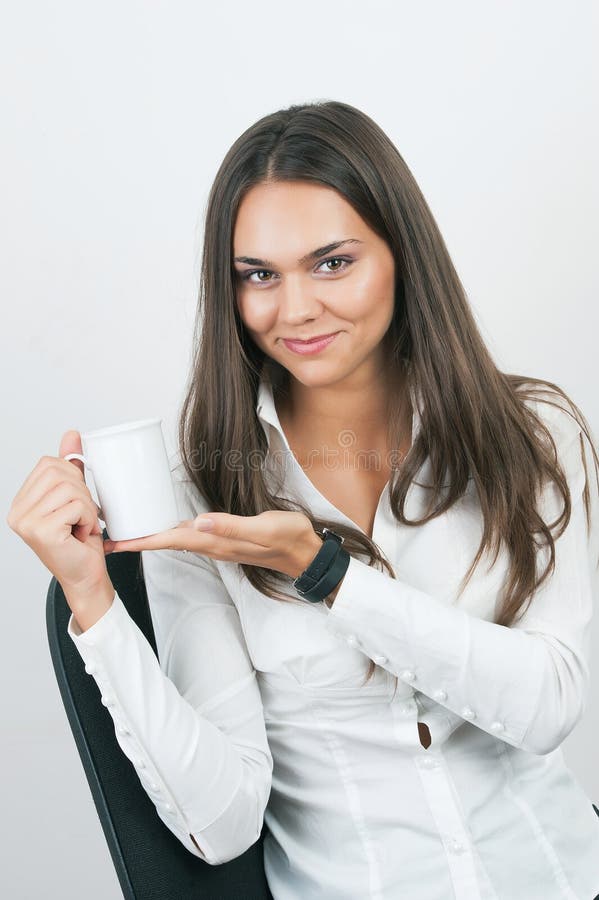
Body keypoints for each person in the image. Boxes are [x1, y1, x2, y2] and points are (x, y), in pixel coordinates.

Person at [8, 99, 599, 899]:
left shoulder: (531, 432)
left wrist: (326, 576)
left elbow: (546, 707)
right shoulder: (205, 499)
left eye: (331, 263)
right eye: (257, 275)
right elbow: (219, 824)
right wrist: (92, 599)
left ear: (402, 255)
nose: (293, 310)